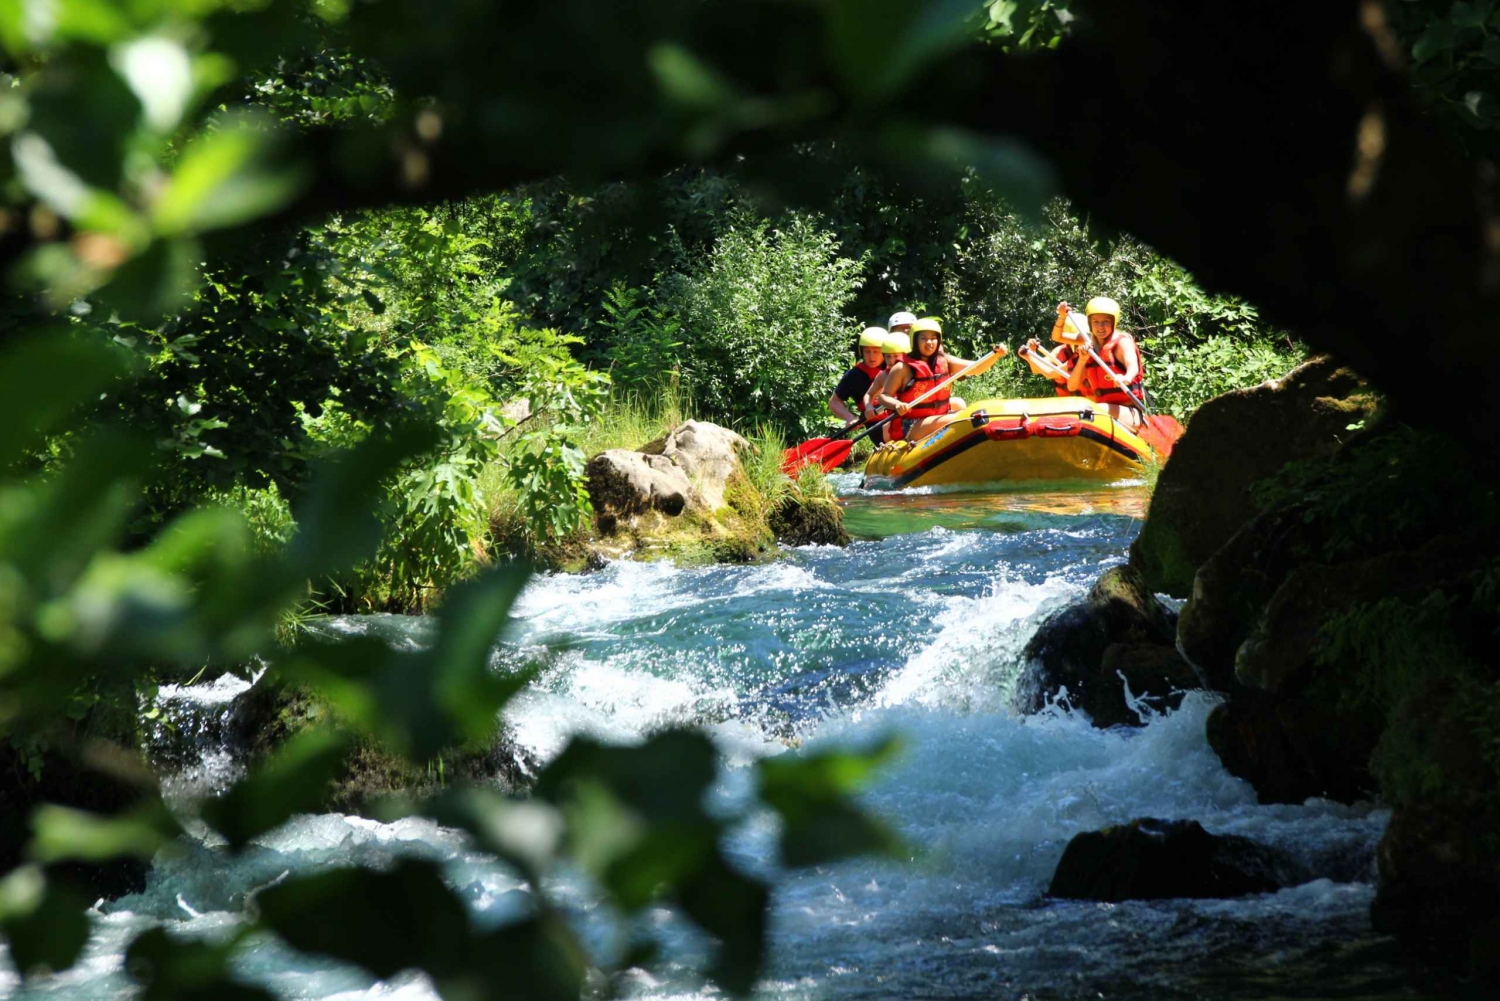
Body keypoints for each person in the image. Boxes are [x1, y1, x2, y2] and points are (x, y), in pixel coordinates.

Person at [878, 318, 1004, 443]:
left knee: (959, 404)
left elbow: (976, 368)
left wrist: (996, 355)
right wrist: (896, 404)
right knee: (958, 419)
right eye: (923, 338)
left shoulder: (945, 361)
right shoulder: (902, 367)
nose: (929, 342)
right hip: (912, 423)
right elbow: (884, 396)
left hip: (938, 414)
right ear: (914, 340)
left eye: (933, 338)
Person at [1050, 296, 1146, 428]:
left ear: (1113, 322)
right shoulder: (1087, 342)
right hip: (1102, 408)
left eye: (1106, 322)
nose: (1100, 327)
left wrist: (1126, 378)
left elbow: (1133, 367)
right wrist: (1062, 316)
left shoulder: (1122, 342)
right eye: (1095, 322)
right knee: (1084, 409)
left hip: (1129, 412)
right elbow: (1071, 386)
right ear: (1090, 323)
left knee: (1092, 410)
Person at [828, 327, 888, 425]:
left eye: (876, 351)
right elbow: (834, 402)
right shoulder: (854, 375)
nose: (871, 357)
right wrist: (850, 417)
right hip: (875, 425)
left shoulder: (895, 367)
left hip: (898, 417)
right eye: (867, 351)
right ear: (861, 351)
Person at [863, 329, 910, 443]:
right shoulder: (883, 375)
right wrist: (869, 407)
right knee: (886, 431)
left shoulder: (914, 372)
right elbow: (868, 395)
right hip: (896, 420)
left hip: (915, 415)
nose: (891, 360)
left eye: (895, 356)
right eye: (888, 356)